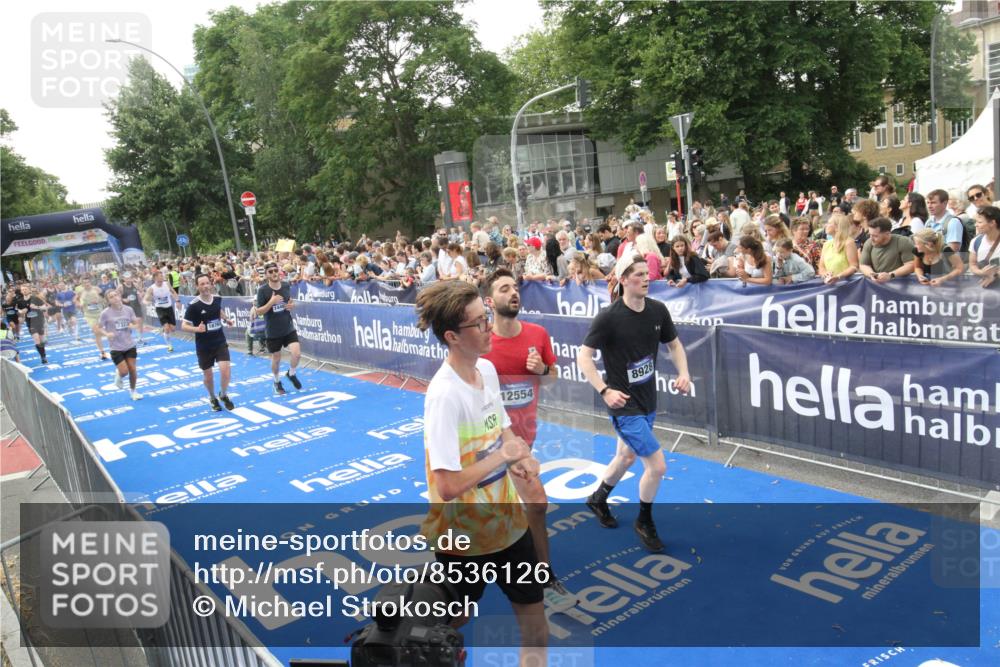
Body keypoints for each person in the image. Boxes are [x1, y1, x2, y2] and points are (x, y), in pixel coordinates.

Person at [414, 280, 548, 666]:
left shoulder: (487, 370)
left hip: (509, 525)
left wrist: (519, 457)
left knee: (536, 621)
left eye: (486, 316)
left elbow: (500, 424)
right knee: (452, 625)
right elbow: (448, 485)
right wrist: (504, 456)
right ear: (452, 337)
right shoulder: (443, 396)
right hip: (461, 538)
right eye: (479, 323)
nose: (489, 327)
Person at [578, 254, 691, 553]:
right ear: (624, 279)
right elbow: (583, 357)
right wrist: (604, 391)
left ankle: (597, 498)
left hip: (647, 401)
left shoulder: (658, 310)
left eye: (647, 273)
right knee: (657, 466)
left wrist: (684, 372)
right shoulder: (609, 317)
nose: (646, 278)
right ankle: (644, 521)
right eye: (639, 274)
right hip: (623, 406)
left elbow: (675, 345)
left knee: (625, 457)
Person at [481, 269, 577, 611]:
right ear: (490, 302)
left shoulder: (537, 334)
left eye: (516, 287)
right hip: (489, 448)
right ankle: (540, 578)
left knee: (524, 509)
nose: (514, 292)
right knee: (534, 502)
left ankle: (532, 576)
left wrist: (541, 372)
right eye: (505, 288)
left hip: (525, 440)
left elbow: (551, 380)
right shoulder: (483, 345)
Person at [182, 274, 236, 411]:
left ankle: (223, 395)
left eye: (207, 283)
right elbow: (184, 326)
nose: (205, 286)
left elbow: (218, 311)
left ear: (210, 284)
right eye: (202, 284)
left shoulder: (217, 298)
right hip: (204, 346)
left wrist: (226, 319)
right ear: (197, 286)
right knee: (208, 375)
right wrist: (197, 329)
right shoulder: (194, 305)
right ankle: (212, 397)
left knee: (226, 371)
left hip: (219, 341)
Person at [255, 261, 302, 395]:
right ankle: (276, 381)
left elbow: (289, 300)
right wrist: (271, 302)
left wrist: (291, 305)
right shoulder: (263, 290)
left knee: (297, 353)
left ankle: (291, 373)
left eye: (276, 271)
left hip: (287, 326)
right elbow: (259, 311)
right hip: (273, 330)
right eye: (271, 272)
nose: (274, 273)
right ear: (266, 275)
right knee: (276, 358)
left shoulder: (286, 285)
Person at [97, 288, 143, 400]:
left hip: (129, 345)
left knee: (132, 369)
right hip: (116, 347)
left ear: (119, 296)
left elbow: (135, 323)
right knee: (124, 371)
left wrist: (133, 326)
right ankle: (119, 373)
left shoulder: (128, 309)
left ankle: (133, 391)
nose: (115, 298)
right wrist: (106, 334)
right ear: (108, 301)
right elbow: (99, 328)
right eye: (111, 297)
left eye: (116, 295)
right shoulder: (105, 313)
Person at [859, 217, 916, 283]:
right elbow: (863, 264)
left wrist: (891, 275)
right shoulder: (869, 243)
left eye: (875, 236)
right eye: (870, 235)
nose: (871, 238)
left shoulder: (903, 242)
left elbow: (911, 264)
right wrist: (871, 274)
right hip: (876, 285)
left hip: (899, 284)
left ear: (887, 234)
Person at [818, 213, 860, 284]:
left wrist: (838, 276)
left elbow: (854, 266)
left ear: (837, 227)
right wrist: (825, 274)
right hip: (829, 284)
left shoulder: (849, 242)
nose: (825, 225)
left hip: (846, 284)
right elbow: (821, 266)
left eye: (829, 223)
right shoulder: (826, 244)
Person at [145, 269, 179, 351]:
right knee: (167, 328)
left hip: (169, 307)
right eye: (161, 276)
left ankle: (164, 331)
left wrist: (177, 301)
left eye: (162, 275)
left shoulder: (167, 284)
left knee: (173, 328)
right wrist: (147, 302)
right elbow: (145, 299)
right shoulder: (151, 288)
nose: (163, 277)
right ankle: (169, 345)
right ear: (155, 278)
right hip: (160, 309)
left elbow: (173, 292)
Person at [969, 205, 1000, 288]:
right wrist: (981, 272)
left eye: (979, 222)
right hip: (984, 290)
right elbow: (972, 264)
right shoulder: (976, 241)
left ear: (992, 223)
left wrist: (995, 275)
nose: (976, 225)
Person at [77, 276, 107, 359]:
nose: (86, 284)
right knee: (96, 332)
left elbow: (105, 298)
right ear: (82, 284)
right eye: (84, 283)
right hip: (89, 315)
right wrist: (79, 304)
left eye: (88, 282)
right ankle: (102, 352)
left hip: (100, 313)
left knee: (101, 333)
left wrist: (98, 300)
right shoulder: (80, 292)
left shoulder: (97, 289)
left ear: (90, 282)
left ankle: (112, 342)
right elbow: (75, 300)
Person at [23, 285, 48, 364]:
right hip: (30, 323)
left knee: (42, 341)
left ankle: (43, 354)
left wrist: (36, 307)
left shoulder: (35, 298)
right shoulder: (20, 301)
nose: (24, 291)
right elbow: (18, 311)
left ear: (29, 290)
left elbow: (44, 307)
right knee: (36, 340)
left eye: (25, 289)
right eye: (23, 290)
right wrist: (20, 312)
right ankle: (43, 357)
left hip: (39, 321)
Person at [119, 273, 144, 345]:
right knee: (128, 324)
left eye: (129, 278)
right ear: (123, 279)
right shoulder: (121, 287)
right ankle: (127, 338)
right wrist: (124, 300)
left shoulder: (135, 285)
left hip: (136, 305)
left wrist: (141, 295)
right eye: (126, 278)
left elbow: (141, 291)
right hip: (127, 308)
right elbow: (117, 296)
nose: (128, 279)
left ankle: (140, 338)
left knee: (139, 321)